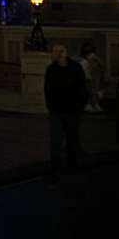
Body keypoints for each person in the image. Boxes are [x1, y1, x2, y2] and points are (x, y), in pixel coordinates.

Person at [45, 44, 90, 184]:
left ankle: (73, 166)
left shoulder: (75, 68)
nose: (59, 54)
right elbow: (47, 89)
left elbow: (82, 87)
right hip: (58, 111)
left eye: (61, 51)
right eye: (56, 51)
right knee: (56, 141)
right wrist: (51, 106)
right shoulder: (51, 70)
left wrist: (79, 106)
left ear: (66, 52)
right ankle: (56, 168)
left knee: (72, 139)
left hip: (72, 110)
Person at [80, 42, 108, 113]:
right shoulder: (84, 62)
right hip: (88, 80)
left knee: (95, 91)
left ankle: (95, 104)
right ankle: (91, 104)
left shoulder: (91, 62)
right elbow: (87, 73)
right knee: (91, 92)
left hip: (93, 80)